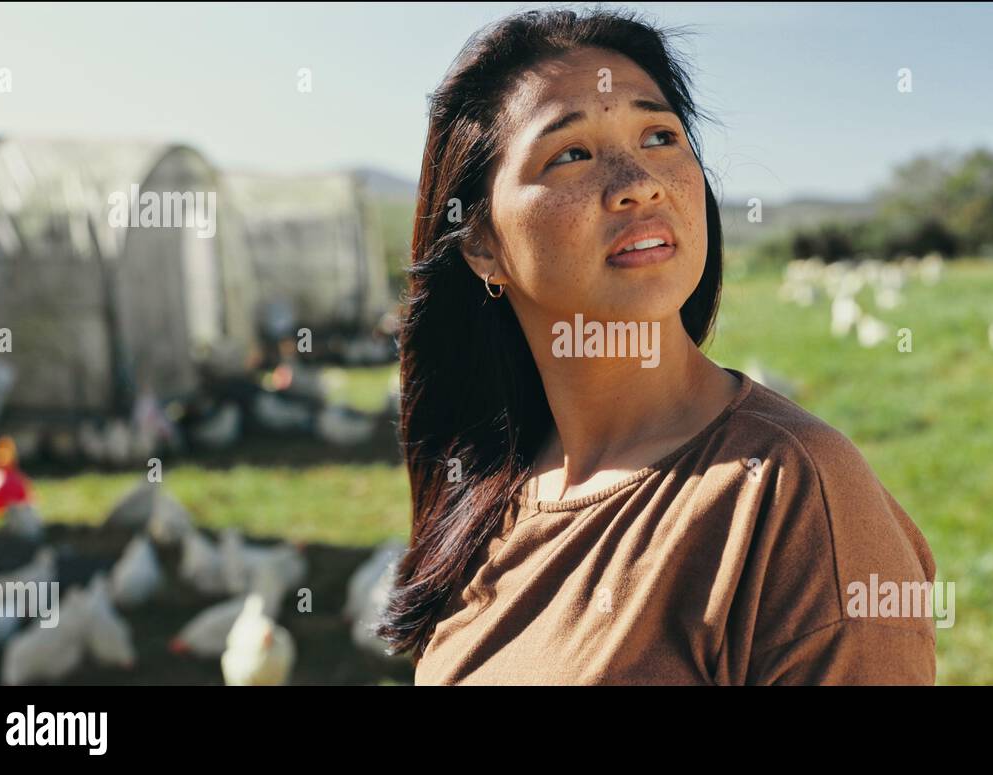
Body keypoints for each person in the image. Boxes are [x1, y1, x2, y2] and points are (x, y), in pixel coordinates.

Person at [379, 7, 937, 685]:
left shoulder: (795, 497)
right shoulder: (491, 493)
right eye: (571, 154)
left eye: (659, 136)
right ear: (482, 243)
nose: (638, 181)